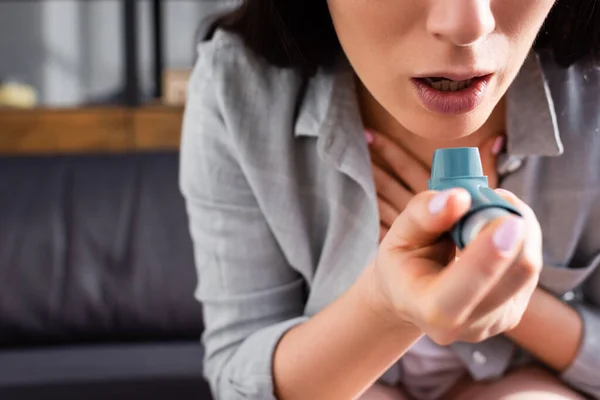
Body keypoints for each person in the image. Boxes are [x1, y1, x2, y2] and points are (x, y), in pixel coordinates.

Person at [179, 1, 600, 399]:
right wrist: (385, 304)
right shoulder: (237, 86)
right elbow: (238, 380)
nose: (468, 25)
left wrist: (492, 283)